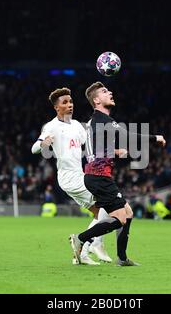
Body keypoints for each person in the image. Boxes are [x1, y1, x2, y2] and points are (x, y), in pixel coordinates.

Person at [69, 82, 166, 266]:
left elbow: (94, 151)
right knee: (120, 218)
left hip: (96, 176)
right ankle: (81, 239)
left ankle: (122, 258)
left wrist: (114, 151)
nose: (110, 92)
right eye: (105, 91)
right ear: (96, 100)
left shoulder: (95, 122)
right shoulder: (102, 119)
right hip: (98, 177)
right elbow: (128, 135)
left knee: (127, 213)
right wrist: (155, 137)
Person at [31, 87, 112, 265]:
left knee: (102, 213)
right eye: (65, 102)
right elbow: (34, 148)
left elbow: (88, 143)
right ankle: (92, 244)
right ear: (56, 107)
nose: (69, 105)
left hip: (81, 175)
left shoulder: (76, 126)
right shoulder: (51, 126)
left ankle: (82, 252)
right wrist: (43, 143)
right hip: (69, 178)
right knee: (109, 206)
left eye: (71, 101)